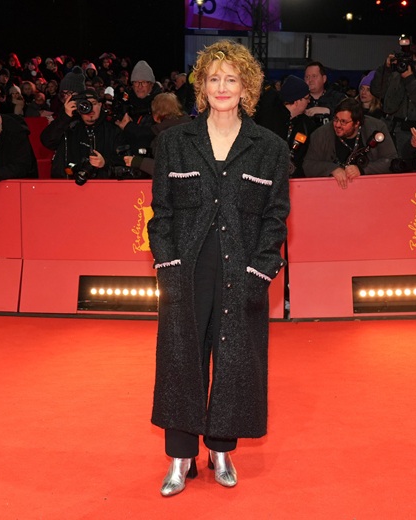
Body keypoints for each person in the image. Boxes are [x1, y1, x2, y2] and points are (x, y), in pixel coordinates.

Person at [148, 39, 290, 497]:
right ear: (201, 86)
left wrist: (261, 271)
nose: (222, 87)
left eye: (231, 79)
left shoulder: (269, 147)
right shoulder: (174, 142)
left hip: (242, 270)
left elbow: (275, 217)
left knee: (235, 360)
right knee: (180, 361)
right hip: (186, 270)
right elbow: (162, 212)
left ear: (246, 86)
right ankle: (180, 457)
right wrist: (167, 264)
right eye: (214, 78)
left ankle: (221, 449)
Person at [303, 97, 397, 189]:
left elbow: (391, 161)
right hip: (333, 189)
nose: (337, 125)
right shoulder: (321, 134)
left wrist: (363, 170)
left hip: (372, 187)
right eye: (335, 119)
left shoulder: (376, 128)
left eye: (343, 122)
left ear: (357, 123)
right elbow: (308, 165)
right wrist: (332, 169)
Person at [39, 87, 127, 180]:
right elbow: (47, 141)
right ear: (78, 107)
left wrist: (104, 163)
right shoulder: (69, 128)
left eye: (93, 104)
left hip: (102, 187)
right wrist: (64, 116)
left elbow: (124, 161)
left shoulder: (113, 131)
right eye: (85, 105)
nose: (90, 109)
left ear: (100, 105)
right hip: (69, 185)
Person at [370, 42, 416, 159]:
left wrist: (409, 79)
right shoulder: (396, 75)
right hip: (389, 129)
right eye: (411, 62)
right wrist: (386, 69)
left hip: (412, 134)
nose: (413, 66)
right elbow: (377, 91)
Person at [256, 75, 315, 177]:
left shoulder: (307, 125)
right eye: (307, 98)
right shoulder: (267, 118)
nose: (309, 101)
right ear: (297, 101)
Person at [123, 92, 191, 176]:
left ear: (157, 113)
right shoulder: (187, 127)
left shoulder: (170, 136)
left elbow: (169, 169)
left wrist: (137, 162)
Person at [303, 61, 346, 128]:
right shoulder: (299, 99)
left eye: (314, 76)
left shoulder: (338, 98)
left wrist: (328, 111)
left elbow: (348, 115)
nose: (310, 80)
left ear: (324, 79)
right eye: (307, 77)